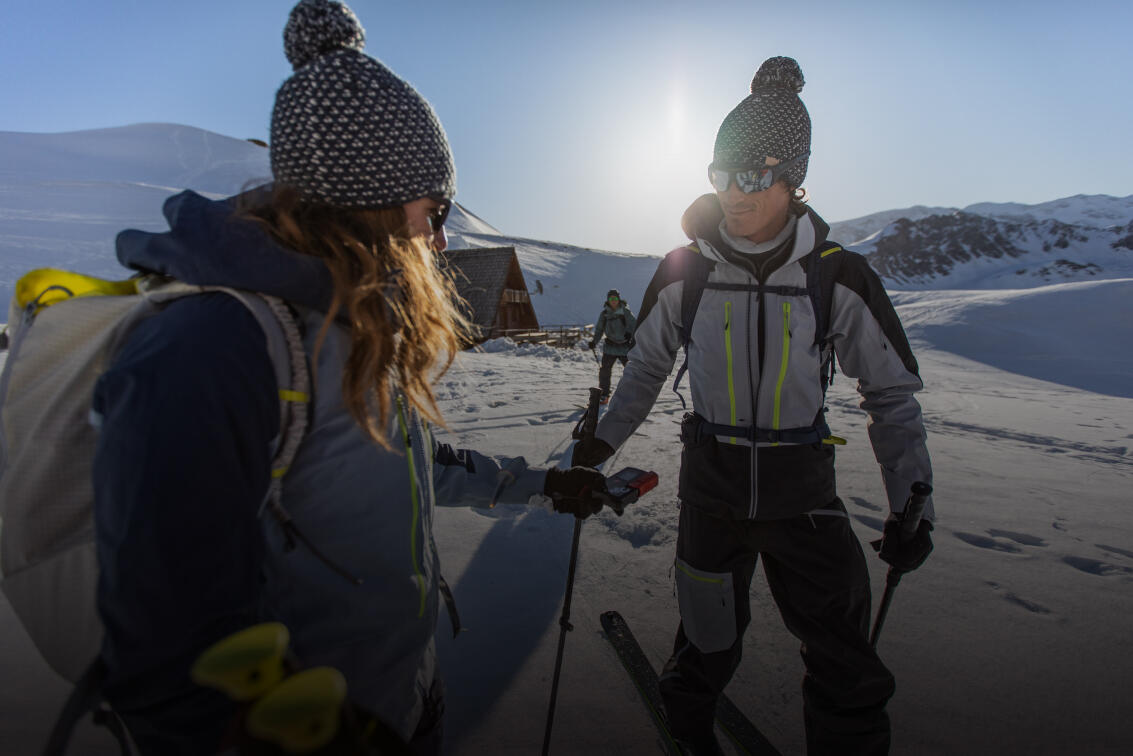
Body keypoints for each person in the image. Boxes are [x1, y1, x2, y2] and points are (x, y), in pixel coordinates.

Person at [91, 2, 607, 754]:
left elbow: (402, 471)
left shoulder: (352, 327)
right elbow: (164, 652)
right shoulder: (215, 346)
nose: (440, 236)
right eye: (435, 208)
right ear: (372, 199)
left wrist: (539, 485)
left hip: (401, 703)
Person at [572, 57, 934, 755]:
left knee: (843, 663)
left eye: (752, 175)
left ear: (792, 179)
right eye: (719, 174)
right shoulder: (689, 269)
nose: (732, 193)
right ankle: (689, 734)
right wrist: (597, 447)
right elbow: (645, 370)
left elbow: (889, 397)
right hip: (712, 490)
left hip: (803, 493)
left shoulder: (836, 275)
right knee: (705, 643)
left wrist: (911, 500)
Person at [587, 289, 637, 402]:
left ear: (618, 299)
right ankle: (604, 394)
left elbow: (634, 325)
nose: (613, 301)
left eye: (615, 298)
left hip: (625, 348)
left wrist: (630, 334)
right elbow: (599, 330)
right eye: (611, 299)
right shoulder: (604, 314)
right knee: (605, 371)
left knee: (631, 371)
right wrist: (594, 341)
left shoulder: (626, 312)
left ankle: (634, 392)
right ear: (608, 300)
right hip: (610, 347)